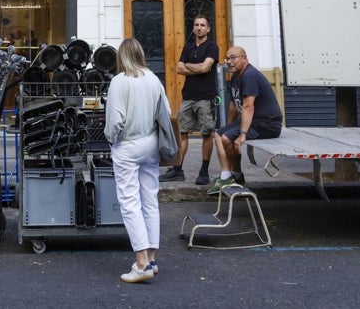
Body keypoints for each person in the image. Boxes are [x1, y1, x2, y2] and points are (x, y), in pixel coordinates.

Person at [104, 38, 169, 284]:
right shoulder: (153, 78)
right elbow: (166, 112)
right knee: (150, 199)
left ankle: (141, 263)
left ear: (121, 57)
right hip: (151, 142)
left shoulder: (119, 82)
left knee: (130, 202)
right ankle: (151, 259)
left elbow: (115, 121)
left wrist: (111, 139)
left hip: (128, 145)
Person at [207, 46, 283, 194]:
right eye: (227, 58)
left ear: (244, 59)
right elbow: (234, 105)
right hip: (253, 121)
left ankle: (236, 174)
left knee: (226, 139)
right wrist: (229, 126)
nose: (229, 62)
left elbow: (248, 107)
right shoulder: (236, 75)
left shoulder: (250, 76)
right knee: (218, 134)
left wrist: (242, 134)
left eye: (233, 58)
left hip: (267, 124)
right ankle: (227, 175)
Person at [159, 14, 220, 185]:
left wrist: (190, 67)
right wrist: (197, 68)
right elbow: (179, 68)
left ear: (208, 28)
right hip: (188, 96)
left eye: (202, 25)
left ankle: (204, 171)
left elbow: (205, 67)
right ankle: (177, 169)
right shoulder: (189, 47)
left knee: (206, 134)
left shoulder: (212, 47)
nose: (199, 27)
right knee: (182, 133)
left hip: (205, 97)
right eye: (196, 25)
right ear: (193, 28)